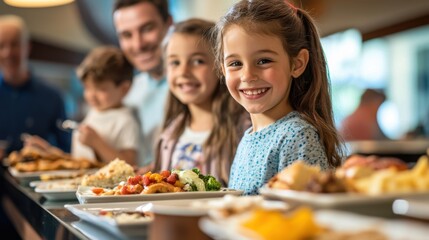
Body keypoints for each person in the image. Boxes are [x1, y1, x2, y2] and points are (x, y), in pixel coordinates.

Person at [213, 0, 344, 195]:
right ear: (223, 69)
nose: (247, 75)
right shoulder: (248, 138)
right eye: (235, 63)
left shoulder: (297, 136)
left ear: (297, 64)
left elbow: (306, 216)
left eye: (264, 61)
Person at [145, 18, 249, 186]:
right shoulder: (168, 135)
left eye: (198, 61)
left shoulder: (244, 130)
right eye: (175, 62)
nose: (184, 72)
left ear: (220, 67)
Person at [26, 46, 141, 166]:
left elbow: (130, 165)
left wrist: (97, 143)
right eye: (87, 88)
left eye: (101, 89)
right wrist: (49, 152)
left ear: (124, 89)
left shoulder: (126, 121)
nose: (91, 95)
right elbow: (80, 161)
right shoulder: (95, 112)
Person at [0, 15, 71, 159]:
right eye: (1, 46)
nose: (8, 53)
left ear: (27, 46)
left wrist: (48, 150)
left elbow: (68, 151)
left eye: (14, 44)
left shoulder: (53, 97)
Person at [113, 0, 173, 167]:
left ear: (169, 24)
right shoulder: (126, 93)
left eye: (147, 29)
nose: (138, 44)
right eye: (126, 35)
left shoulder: (198, 86)